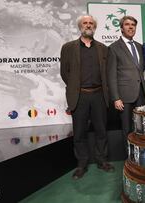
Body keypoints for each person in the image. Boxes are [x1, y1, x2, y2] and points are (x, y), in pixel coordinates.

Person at [60, 15, 114, 180]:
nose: (88, 25)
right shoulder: (68, 47)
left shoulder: (103, 48)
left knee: (101, 131)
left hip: (99, 95)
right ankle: (82, 164)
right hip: (80, 95)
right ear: (80, 26)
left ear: (95, 27)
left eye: (91, 23)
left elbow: (108, 73)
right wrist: (76, 88)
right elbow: (64, 73)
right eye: (85, 23)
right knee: (79, 133)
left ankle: (101, 160)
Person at [107, 16, 145, 156]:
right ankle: (130, 157)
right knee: (127, 129)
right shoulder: (113, 48)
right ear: (121, 27)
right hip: (124, 96)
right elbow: (111, 75)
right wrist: (115, 98)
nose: (130, 27)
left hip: (141, 94)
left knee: (141, 127)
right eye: (127, 25)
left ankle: (141, 155)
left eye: (133, 25)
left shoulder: (139, 46)